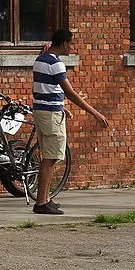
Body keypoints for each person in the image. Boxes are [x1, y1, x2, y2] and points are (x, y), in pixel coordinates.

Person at [30, 27, 108, 215]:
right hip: (50, 116)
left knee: (49, 155)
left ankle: (46, 198)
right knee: (50, 158)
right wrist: (95, 113)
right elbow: (70, 92)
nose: (72, 48)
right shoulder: (56, 64)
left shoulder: (40, 59)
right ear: (64, 44)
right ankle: (41, 202)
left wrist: (61, 106)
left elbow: (44, 90)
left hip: (43, 111)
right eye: (71, 44)